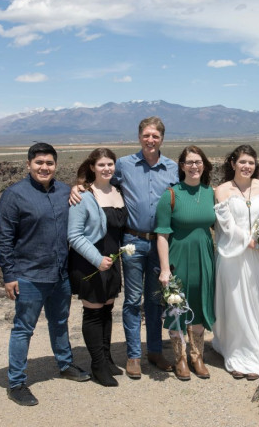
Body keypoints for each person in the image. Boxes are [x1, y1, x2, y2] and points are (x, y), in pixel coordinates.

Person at [70, 116, 177, 379]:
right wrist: (77, 186)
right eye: (146, 135)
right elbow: (99, 179)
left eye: (155, 136)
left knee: (155, 301)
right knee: (131, 300)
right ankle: (133, 356)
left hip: (161, 243)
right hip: (132, 242)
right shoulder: (124, 165)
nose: (150, 140)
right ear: (139, 137)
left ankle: (154, 351)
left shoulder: (172, 167)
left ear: (162, 138)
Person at [0, 143, 90, 407]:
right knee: (23, 328)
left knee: (60, 322)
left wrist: (79, 188)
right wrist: (9, 274)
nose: (44, 167)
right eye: (39, 163)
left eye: (49, 163)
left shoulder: (64, 192)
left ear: (55, 165)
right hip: (28, 275)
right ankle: (16, 382)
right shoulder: (14, 195)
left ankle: (65, 364)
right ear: (28, 164)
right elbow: (3, 237)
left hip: (60, 273)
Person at [212, 145, 259, 381]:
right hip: (232, 256)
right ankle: (240, 354)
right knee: (236, 304)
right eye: (242, 162)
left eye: (251, 163)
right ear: (233, 163)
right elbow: (227, 227)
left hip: (258, 257)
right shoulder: (222, 190)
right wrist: (252, 243)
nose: (247, 166)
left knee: (258, 301)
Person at [68, 148, 127, 387]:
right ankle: (97, 365)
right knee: (93, 313)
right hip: (90, 262)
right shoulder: (83, 195)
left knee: (107, 309)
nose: (106, 169)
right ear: (92, 167)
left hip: (112, 260)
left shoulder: (118, 190)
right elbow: (74, 235)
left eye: (110, 164)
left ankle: (107, 358)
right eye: (101, 165)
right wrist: (97, 259)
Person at [156, 145, 216, 381]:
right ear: (181, 166)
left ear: (204, 165)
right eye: (189, 162)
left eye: (198, 162)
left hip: (204, 257)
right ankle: (179, 358)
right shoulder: (170, 195)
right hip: (178, 258)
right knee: (176, 307)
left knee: (200, 305)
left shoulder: (210, 192)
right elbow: (162, 234)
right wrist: (163, 269)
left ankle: (196, 355)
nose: (194, 166)